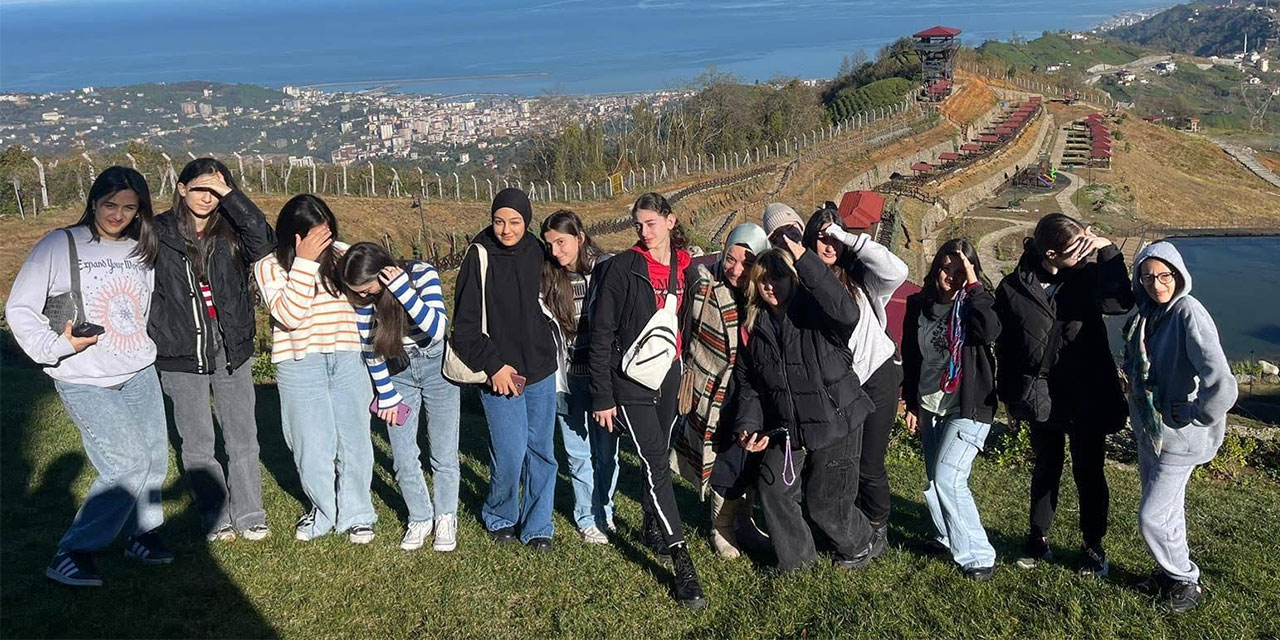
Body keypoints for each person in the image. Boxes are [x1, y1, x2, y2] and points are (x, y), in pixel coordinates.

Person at [7, 166, 168, 586]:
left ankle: (142, 534)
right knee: (128, 463)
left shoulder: (140, 249)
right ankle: (74, 550)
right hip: (83, 374)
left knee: (154, 460)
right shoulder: (59, 244)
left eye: (130, 207)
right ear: (94, 201)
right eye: (110, 204)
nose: (118, 214)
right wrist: (54, 349)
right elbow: (20, 308)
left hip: (138, 369)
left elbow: (140, 309)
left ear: (140, 211)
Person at [994, 213, 1133, 576]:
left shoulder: (1088, 277)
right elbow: (1006, 347)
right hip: (1041, 395)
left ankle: (1092, 546)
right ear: (1051, 254)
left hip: (1086, 393)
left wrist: (1108, 253)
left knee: (1089, 472)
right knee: (1046, 468)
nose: (1085, 250)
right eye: (1077, 247)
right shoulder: (1012, 288)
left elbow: (1119, 303)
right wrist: (1011, 396)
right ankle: (1038, 538)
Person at [589, 192, 707, 608]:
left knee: (655, 454)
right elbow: (601, 334)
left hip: (669, 377)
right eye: (638, 224)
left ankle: (650, 523)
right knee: (657, 463)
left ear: (671, 222)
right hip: (631, 382)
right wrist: (603, 395)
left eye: (651, 223)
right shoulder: (623, 268)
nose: (643, 231)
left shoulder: (687, 267)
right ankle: (681, 560)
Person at [149, 157, 275, 543]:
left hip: (230, 346)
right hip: (180, 348)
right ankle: (215, 515)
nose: (208, 197)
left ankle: (250, 513)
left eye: (217, 190)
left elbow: (265, 241)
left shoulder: (233, 230)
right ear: (182, 188)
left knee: (242, 436)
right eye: (200, 187)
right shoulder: (156, 231)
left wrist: (230, 197)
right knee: (198, 441)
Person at [734, 237, 878, 574]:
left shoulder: (817, 312)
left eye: (779, 276)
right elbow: (750, 386)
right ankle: (797, 562)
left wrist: (805, 258)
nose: (772, 285)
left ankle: (862, 543)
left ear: (794, 277)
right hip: (791, 424)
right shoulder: (756, 332)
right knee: (773, 489)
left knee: (825, 502)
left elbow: (848, 311)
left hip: (836, 416)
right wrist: (749, 426)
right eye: (764, 279)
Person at [254, 195, 376, 544]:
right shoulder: (270, 266)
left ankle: (357, 513)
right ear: (295, 236)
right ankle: (324, 511)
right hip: (299, 361)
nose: (325, 241)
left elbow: (366, 298)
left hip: (347, 355)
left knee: (354, 440)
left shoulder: (343, 254)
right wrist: (304, 264)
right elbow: (289, 315)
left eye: (328, 232)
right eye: (315, 236)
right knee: (310, 444)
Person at [1123, 241, 1238, 613]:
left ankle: (1186, 579)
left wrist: (1197, 414)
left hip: (1179, 438)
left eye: (1164, 275)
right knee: (1169, 512)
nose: (1157, 284)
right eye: (1148, 276)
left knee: (1151, 517)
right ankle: (1171, 576)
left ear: (1178, 274)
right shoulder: (1148, 313)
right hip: (1151, 431)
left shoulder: (1187, 311)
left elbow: (1221, 381)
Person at [451, 188, 559, 551]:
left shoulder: (539, 253)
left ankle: (538, 524)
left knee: (542, 452)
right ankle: (501, 514)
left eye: (515, 222)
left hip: (541, 368)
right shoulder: (479, 255)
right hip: (500, 372)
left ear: (527, 222)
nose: (506, 229)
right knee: (510, 453)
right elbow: (463, 328)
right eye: (499, 221)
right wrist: (494, 366)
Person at [337, 242, 460, 552]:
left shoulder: (421, 274)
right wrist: (387, 395)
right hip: (397, 371)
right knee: (404, 455)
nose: (363, 295)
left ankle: (446, 515)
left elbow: (435, 328)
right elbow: (370, 348)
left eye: (367, 288)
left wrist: (403, 291)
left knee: (443, 451)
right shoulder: (363, 299)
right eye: (357, 291)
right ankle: (420, 516)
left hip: (436, 365)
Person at [802, 204, 908, 554]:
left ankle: (878, 525)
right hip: (838, 386)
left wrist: (848, 237)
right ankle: (842, 522)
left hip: (877, 376)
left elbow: (898, 271)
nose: (829, 246)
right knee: (837, 462)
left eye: (835, 239)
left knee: (870, 462)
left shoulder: (864, 280)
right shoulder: (804, 283)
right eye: (822, 238)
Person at [901, 240, 1001, 581]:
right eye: (947, 269)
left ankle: (979, 555)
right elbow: (912, 356)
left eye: (961, 271)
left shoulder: (974, 306)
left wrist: (973, 284)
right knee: (935, 480)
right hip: (930, 404)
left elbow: (991, 330)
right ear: (935, 269)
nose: (952, 277)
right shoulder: (919, 304)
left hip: (968, 405)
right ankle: (946, 536)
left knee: (948, 478)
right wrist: (912, 403)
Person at [672, 221, 772, 559]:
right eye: (731, 258)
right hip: (715, 389)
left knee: (748, 457)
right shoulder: (704, 282)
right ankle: (721, 524)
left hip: (753, 390)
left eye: (747, 262)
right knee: (725, 457)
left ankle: (743, 518)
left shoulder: (763, 292)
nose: (736, 269)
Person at [540, 210, 618, 545]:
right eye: (550, 244)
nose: (556, 251)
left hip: (603, 380)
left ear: (580, 237)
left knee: (607, 452)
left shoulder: (607, 270)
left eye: (562, 242)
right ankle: (587, 516)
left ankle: (606, 509)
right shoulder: (546, 279)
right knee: (577, 453)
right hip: (567, 379)